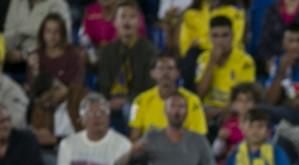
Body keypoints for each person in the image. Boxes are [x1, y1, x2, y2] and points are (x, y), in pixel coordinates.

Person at [97, 0, 157, 132]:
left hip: (137, 101)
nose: (127, 21)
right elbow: (103, 83)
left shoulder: (149, 51)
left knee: (129, 109)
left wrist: (127, 100)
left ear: (139, 22)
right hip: (110, 100)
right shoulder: (107, 51)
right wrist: (108, 101)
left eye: (132, 17)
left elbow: (149, 86)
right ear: (115, 22)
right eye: (123, 17)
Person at [129, 53, 207, 141]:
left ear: (178, 73)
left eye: (170, 68)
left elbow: (198, 138)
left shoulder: (193, 101)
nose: (165, 73)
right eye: (161, 68)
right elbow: (134, 137)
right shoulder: (139, 101)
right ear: (152, 73)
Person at [195, 15, 256, 122]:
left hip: (233, 111)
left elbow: (244, 98)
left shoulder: (245, 61)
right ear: (209, 37)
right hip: (207, 109)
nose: (220, 41)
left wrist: (219, 112)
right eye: (215, 36)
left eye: (224, 35)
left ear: (232, 36)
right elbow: (200, 94)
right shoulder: (203, 58)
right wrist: (212, 62)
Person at [258, 0, 299, 68]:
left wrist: (296, 57)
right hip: (277, 62)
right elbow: (265, 43)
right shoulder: (272, 10)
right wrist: (273, 61)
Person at [3, 0, 71, 65]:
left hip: (46, 65)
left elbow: (60, 42)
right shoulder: (16, 2)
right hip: (12, 62)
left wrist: (23, 55)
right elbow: (7, 37)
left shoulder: (58, 4)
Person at [27, 13, 85, 88]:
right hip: (43, 98)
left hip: (69, 97)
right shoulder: (35, 55)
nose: (52, 35)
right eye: (48, 31)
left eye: (57, 31)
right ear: (42, 33)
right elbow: (33, 87)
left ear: (63, 33)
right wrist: (34, 70)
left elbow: (76, 85)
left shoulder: (74, 55)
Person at [212, 82, 263, 162]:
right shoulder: (228, 125)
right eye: (240, 100)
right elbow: (216, 153)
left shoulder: (262, 126)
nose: (244, 104)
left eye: (248, 100)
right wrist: (220, 139)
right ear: (234, 104)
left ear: (255, 104)